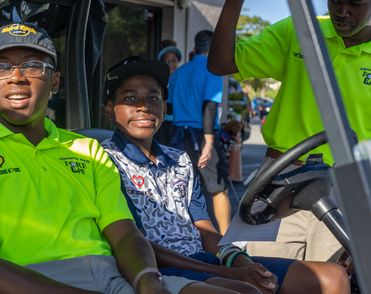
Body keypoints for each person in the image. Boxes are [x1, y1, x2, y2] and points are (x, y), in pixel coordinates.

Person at [0, 23, 214, 294]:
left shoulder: (87, 150)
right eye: (1, 67)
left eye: (32, 65)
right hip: (28, 282)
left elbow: (125, 235)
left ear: (55, 82)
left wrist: (147, 281)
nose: (16, 76)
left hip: (114, 276)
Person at [100, 56, 349, 294]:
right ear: (109, 109)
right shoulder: (103, 162)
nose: (144, 106)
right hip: (157, 268)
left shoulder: (180, 160)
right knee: (248, 290)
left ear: (164, 109)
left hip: (204, 260)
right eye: (130, 98)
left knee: (332, 278)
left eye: (153, 98)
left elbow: (205, 231)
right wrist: (226, 273)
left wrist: (241, 261)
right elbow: (132, 242)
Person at [207, 0, 371, 262]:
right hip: (281, 178)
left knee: (335, 281)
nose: (342, 12)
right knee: (262, 276)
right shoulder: (301, 30)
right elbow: (221, 63)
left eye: (355, 4)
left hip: (350, 185)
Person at [168, 30, 232, 235]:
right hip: (203, 135)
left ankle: (188, 236)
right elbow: (210, 106)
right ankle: (226, 239)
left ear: (194, 49)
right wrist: (209, 143)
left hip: (178, 136)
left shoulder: (178, 72)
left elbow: (168, 108)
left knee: (183, 189)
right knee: (218, 189)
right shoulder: (212, 69)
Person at [154, 39, 182, 146]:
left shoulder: (182, 82)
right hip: (160, 127)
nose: (170, 63)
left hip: (178, 127)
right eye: (166, 60)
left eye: (174, 60)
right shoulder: (156, 82)